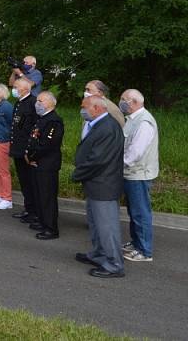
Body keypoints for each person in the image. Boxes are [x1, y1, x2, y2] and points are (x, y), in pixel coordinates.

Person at [72, 95, 126, 278]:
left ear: (96, 108)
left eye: (84, 107)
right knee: (96, 224)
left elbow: (97, 160)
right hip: (96, 184)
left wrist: (77, 174)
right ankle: (99, 254)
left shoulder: (108, 128)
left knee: (107, 227)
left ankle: (114, 264)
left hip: (104, 185)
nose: (82, 110)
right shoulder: (101, 124)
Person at [119, 89, 159, 262]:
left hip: (138, 174)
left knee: (140, 212)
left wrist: (117, 164)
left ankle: (144, 251)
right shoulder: (132, 119)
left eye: (123, 99)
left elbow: (135, 153)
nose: (120, 102)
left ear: (134, 102)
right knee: (134, 211)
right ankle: (136, 243)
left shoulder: (144, 122)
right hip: (131, 173)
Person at [24, 91, 64, 240]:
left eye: (40, 101)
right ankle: (42, 221)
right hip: (36, 163)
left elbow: (47, 145)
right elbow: (34, 139)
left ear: (50, 103)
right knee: (39, 195)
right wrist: (28, 156)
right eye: (37, 101)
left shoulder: (54, 121)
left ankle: (51, 228)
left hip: (46, 165)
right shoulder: (42, 119)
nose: (37, 104)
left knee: (47, 197)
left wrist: (32, 156)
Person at [9, 78, 38, 222]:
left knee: (30, 182)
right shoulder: (19, 102)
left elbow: (34, 129)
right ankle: (28, 209)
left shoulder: (33, 103)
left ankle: (34, 212)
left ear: (25, 89)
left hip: (27, 150)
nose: (13, 89)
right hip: (18, 149)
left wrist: (29, 150)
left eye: (16, 87)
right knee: (24, 182)